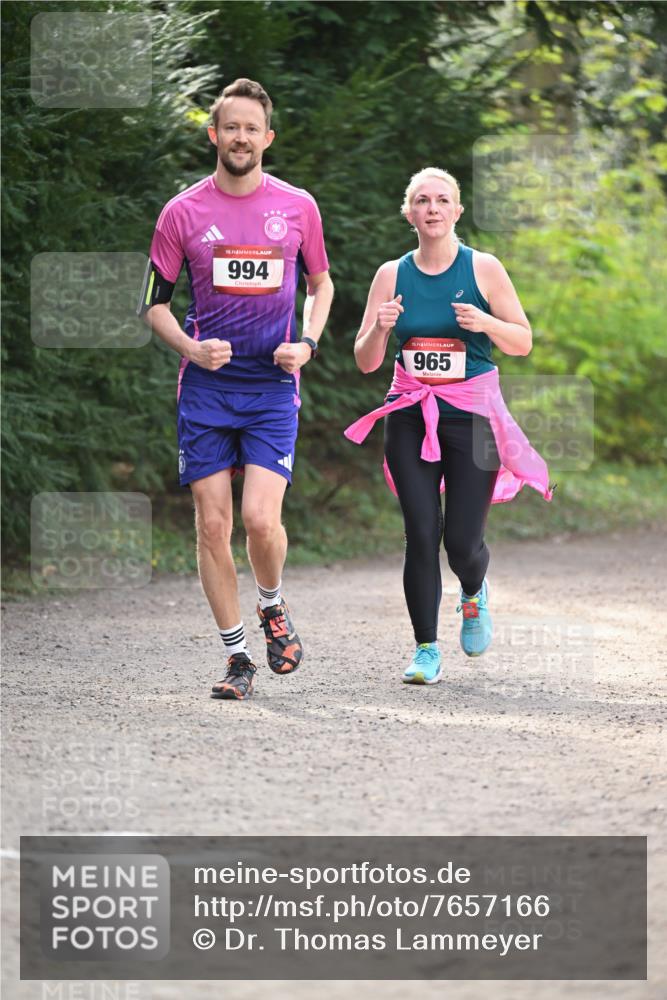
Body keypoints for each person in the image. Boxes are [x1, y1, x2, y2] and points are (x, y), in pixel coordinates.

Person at [138, 78, 334, 700]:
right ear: (213, 134)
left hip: (273, 386)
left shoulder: (298, 206)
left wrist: (305, 344)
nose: (241, 137)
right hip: (206, 388)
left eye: (252, 128)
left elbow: (321, 286)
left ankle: (272, 604)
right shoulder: (182, 212)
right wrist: (191, 348)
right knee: (211, 524)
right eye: (231, 127)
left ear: (267, 138)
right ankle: (237, 660)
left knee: (259, 520)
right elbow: (153, 303)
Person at [346, 167, 552, 686]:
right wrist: (378, 328)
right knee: (420, 532)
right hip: (409, 410)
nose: (432, 208)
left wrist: (486, 324)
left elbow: (522, 341)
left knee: (461, 542)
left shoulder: (483, 269)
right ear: (409, 212)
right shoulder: (391, 275)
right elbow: (366, 361)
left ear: (457, 211)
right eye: (422, 200)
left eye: (442, 200)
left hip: (472, 416)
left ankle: (474, 588)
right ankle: (425, 649)